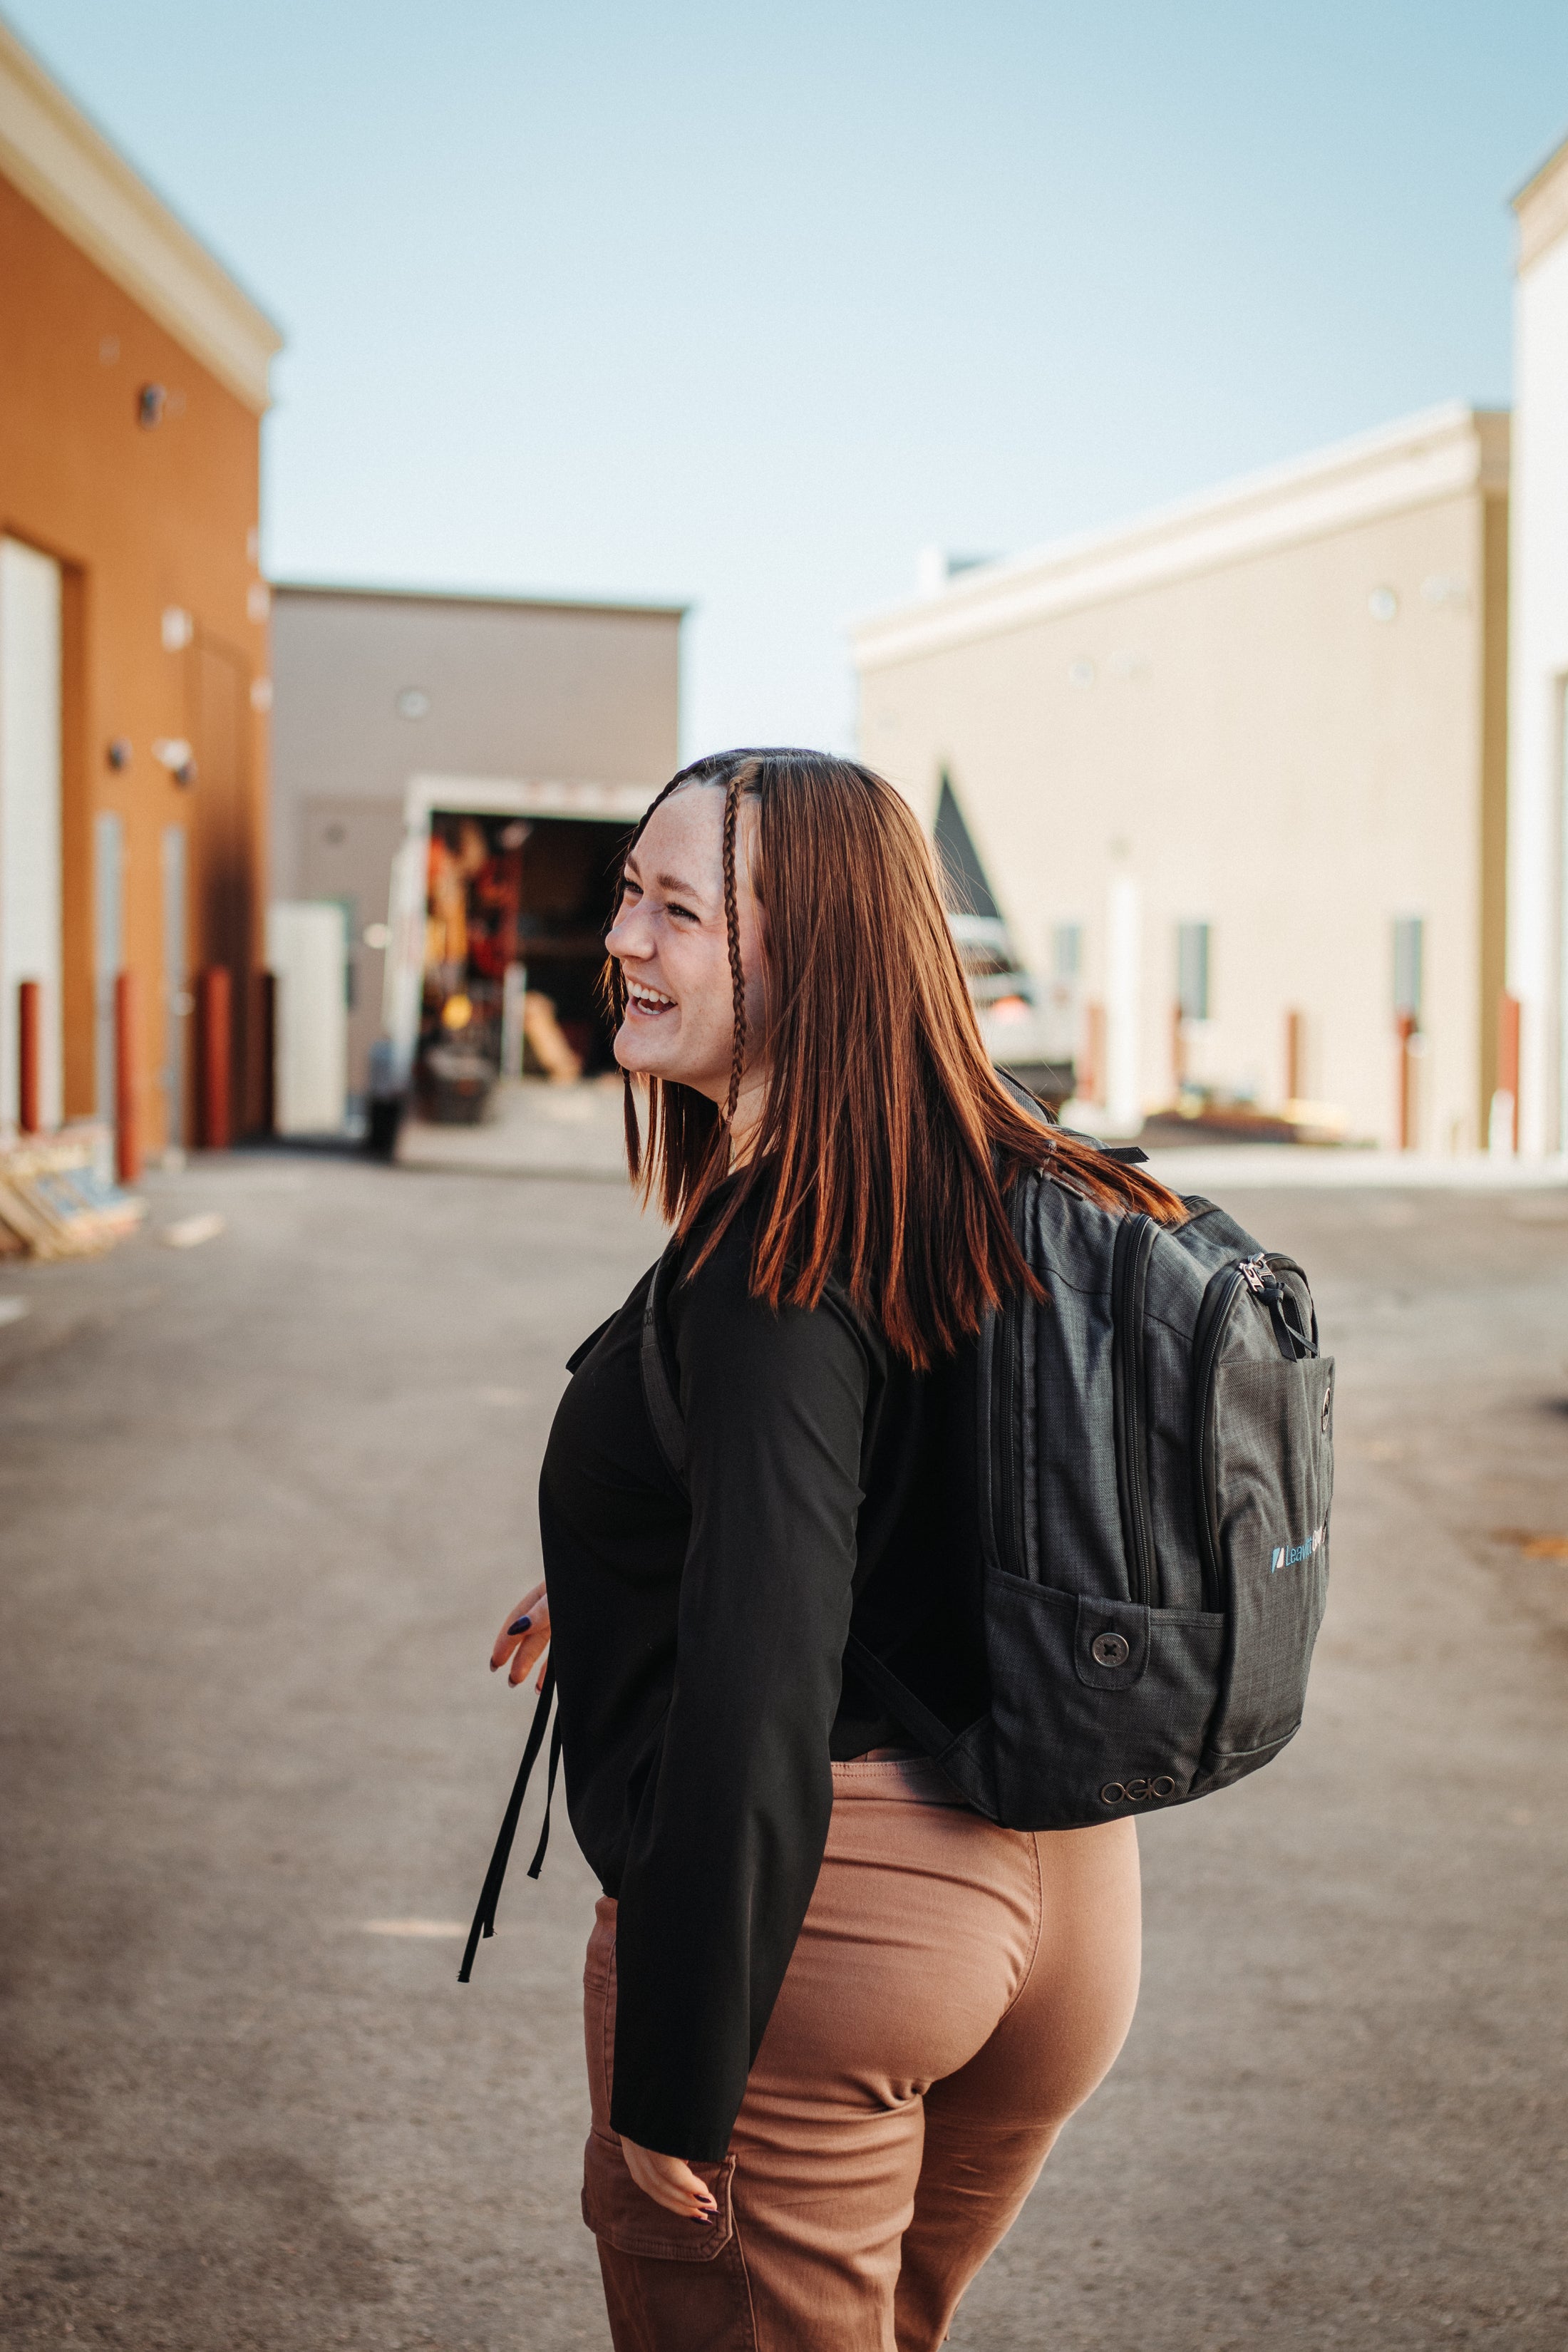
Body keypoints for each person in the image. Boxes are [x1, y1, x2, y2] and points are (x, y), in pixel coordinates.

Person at [488, 750, 1185, 2351]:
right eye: (627, 895)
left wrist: (676, 2071)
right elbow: (950, 1484)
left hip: (835, 1929)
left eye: (677, 910)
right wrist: (637, 1557)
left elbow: (760, 1670)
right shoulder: (1016, 1177)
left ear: (809, 956)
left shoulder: (777, 1252)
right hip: (1068, 1896)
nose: (624, 943)